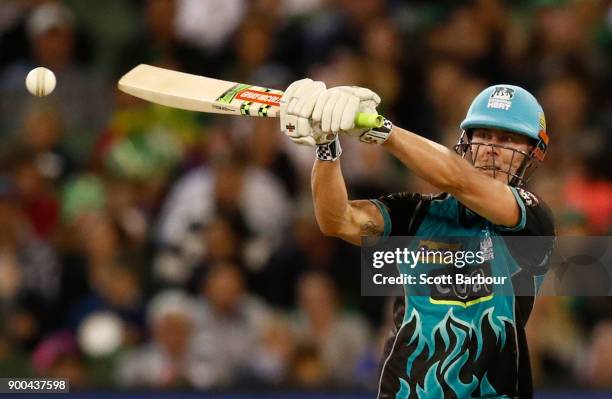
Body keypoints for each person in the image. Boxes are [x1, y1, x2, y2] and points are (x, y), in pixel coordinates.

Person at [279, 81, 555, 398]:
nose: (492, 147)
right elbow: (336, 221)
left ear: (532, 154)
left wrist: (380, 130)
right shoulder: (417, 213)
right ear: (467, 142)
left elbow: (457, 179)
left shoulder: (532, 219)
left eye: (508, 138)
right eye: (483, 135)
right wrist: (327, 147)